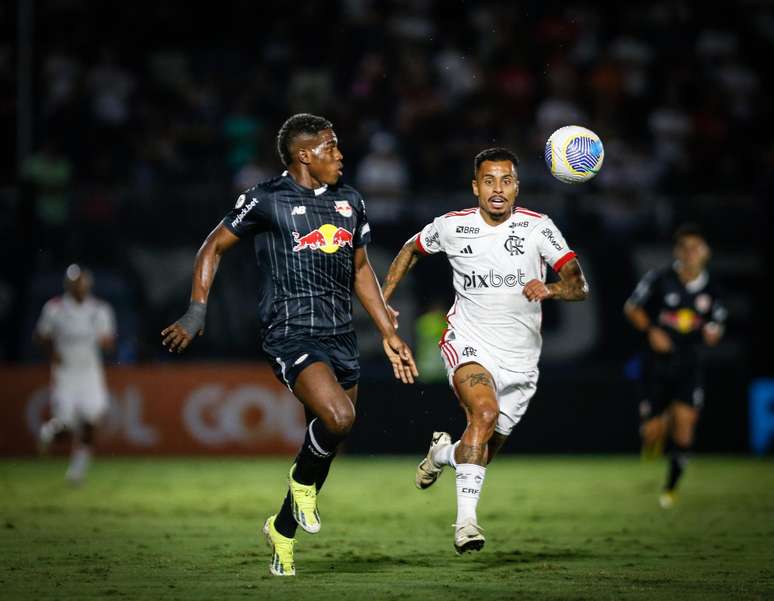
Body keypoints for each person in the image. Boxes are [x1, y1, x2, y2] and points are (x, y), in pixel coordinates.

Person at [161, 113, 417, 576]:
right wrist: (197, 311)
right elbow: (212, 248)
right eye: (331, 147)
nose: (340, 154)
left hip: (341, 335)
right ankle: (301, 484)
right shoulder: (265, 199)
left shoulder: (350, 201)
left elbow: (361, 270)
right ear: (305, 155)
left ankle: (281, 529)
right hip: (290, 331)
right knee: (339, 417)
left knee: (331, 436)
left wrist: (388, 330)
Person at [381, 148, 588, 554]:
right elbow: (409, 250)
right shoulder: (452, 226)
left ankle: (442, 454)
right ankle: (466, 525)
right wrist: (383, 301)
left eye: (506, 180)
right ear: (475, 186)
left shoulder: (538, 228)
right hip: (468, 341)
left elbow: (579, 284)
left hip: (522, 361)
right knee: (485, 413)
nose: (498, 189)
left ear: (516, 187)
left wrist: (552, 288)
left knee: (481, 451)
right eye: (489, 180)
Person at [624, 223, 726, 508]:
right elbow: (632, 308)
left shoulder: (713, 289)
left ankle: (670, 488)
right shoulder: (659, 279)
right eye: (685, 248)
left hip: (689, 364)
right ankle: (657, 424)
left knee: (685, 426)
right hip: (655, 364)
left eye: (696, 248)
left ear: (706, 253)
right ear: (677, 251)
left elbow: (717, 326)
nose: (691, 253)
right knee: (652, 431)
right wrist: (652, 331)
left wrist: (712, 333)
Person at [35, 264, 116, 484]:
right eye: (76, 283)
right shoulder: (55, 309)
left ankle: (76, 472)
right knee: (67, 428)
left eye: (84, 283)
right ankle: (50, 432)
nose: (81, 287)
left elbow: (109, 341)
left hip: (90, 373)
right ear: (68, 285)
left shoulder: (100, 309)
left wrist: (106, 342)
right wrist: (52, 352)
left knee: (90, 423)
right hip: (65, 374)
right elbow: (41, 336)